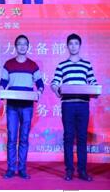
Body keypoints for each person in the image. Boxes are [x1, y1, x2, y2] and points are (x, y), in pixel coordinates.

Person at [51, 33, 98, 182]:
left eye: (76, 43)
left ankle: (82, 171)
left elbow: (93, 82)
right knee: (68, 137)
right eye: (71, 44)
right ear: (67, 46)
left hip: (83, 105)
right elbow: (54, 83)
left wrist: (96, 89)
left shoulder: (87, 65)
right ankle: (69, 170)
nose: (73, 46)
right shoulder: (62, 65)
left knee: (82, 137)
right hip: (68, 105)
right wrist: (57, 90)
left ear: (80, 46)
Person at [0, 35, 44, 180]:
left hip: (27, 106)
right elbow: (3, 82)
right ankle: (11, 169)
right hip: (12, 106)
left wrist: (39, 92)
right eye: (19, 44)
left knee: (24, 138)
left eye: (25, 44)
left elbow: (40, 84)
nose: (22, 46)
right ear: (15, 46)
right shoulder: (8, 64)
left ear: (28, 47)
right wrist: (1, 89)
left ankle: (22, 169)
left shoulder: (33, 65)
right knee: (12, 137)